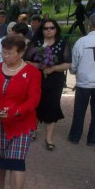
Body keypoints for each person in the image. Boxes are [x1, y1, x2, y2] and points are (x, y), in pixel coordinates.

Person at [0, 35, 41, 189]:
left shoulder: (32, 73)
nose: (4, 56)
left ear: (21, 53)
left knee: (16, 162)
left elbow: (33, 99)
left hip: (20, 125)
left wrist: (16, 111)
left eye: (9, 53)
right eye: (3, 52)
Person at [24, 19, 71, 149]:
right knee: (35, 104)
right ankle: (33, 130)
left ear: (56, 29)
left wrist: (54, 68)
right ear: (42, 30)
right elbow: (26, 61)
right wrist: (40, 65)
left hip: (55, 80)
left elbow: (68, 63)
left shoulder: (62, 43)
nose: (49, 30)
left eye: (52, 28)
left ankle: (49, 138)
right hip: (37, 78)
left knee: (52, 105)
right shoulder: (36, 43)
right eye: (46, 28)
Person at [68, 14, 95, 145]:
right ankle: (92, 139)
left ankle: (75, 136)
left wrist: (74, 71)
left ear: (89, 24)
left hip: (84, 81)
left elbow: (74, 62)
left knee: (79, 110)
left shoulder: (82, 41)